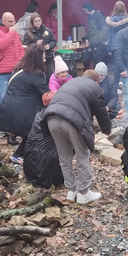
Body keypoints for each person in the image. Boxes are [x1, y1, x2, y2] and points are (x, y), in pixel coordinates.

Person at [41, 70, 112, 204]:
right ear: (96, 81)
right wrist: (107, 130)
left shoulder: (72, 81)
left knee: (64, 156)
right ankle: (84, 193)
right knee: (82, 154)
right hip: (72, 121)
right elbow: (102, 113)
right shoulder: (94, 87)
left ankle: (71, 190)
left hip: (51, 118)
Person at [0, 45, 50, 157]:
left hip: (5, 111)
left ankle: (13, 137)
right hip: (19, 114)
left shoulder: (18, 69)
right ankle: (19, 155)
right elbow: (47, 95)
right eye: (43, 57)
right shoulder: (35, 75)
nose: (45, 60)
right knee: (37, 130)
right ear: (38, 59)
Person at [0, 12, 26, 120]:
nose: (13, 23)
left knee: (17, 97)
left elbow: (20, 50)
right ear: (3, 21)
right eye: (10, 21)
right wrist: (11, 33)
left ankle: (13, 122)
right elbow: (0, 45)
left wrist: (20, 63)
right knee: (3, 98)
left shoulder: (14, 33)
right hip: (2, 72)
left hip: (16, 70)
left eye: (14, 21)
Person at [25, 12, 57, 79]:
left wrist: (50, 46)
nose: (38, 23)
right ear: (32, 22)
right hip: (35, 60)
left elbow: (54, 41)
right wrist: (35, 44)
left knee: (51, 78)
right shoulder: (28, 33)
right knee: (38, 78)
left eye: (39, 21)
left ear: (41, 21)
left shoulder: (47, 30)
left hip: (48, 58)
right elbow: (25, 46)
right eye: (35, 21)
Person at [83, 2, 108, 68]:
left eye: (84, 10)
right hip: (93, 42)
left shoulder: (98, 16)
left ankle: (99, 75)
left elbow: (104, 28)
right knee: (94, 60)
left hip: (97, 43)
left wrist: (99, 40)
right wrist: (87, 38)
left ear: (88, 10)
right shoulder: (90, 16)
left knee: (97, 60)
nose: (84, 12)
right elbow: (92, 30)